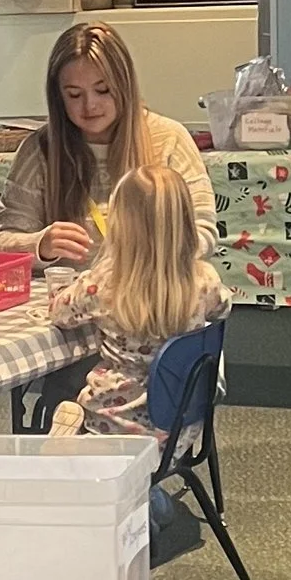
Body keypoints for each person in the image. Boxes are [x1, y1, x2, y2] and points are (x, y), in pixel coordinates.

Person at [0, 21, 216, 270]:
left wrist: (160, 249)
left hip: (147, 298)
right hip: (69, 298)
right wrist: (40, 244)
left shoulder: (169, 138)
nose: (90, 106)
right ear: (58, 97)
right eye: (74, 95)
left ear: (124, 86)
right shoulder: (40, 150)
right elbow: (3, 241)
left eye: (103, 90)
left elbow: (204, 230)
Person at [45, 164, 229, 435]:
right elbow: (222, 310)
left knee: (72, 404)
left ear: (120, 226)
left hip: (110, 424)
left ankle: (70, 450)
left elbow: (59, 313)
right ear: (186, 221)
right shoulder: (204, 280)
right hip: (177, 427)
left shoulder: (102, 283)